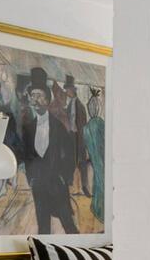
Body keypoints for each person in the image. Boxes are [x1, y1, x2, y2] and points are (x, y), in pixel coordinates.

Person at [6, 72, 78, 234]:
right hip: (38, 186)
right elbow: (25, 155)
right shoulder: (28, 129)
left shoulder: (59, 127)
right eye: (32, 96)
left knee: (69, 225)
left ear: (47, 99)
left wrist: (65, 177)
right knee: (43, 228)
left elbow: (70, 153)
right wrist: (31, 178)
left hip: (57, 185)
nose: (35, 99)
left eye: (39, 96)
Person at [82, 90, 106, 229]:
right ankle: (101, 211)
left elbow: (86, 147)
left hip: (94, 159)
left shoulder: (86, 127)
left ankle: (97, 208)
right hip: (102, 158)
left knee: (98, 181)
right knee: (102, 182)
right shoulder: (100, 123)